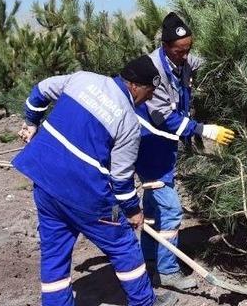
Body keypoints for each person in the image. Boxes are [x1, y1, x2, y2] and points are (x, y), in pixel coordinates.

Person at [13, 56, 176, 306]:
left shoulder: (82, 79)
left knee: (54, 254)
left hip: (45, 183)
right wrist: (133, 212)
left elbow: (39, 91)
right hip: (86, 194)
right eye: (149, 91)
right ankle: (144, 302)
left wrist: (31, 123)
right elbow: (121, 182)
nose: (150, 97)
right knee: (123, 244)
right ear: (134, 85)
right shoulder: (128, 122)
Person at [133, 12, 235, 292]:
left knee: (154, 210)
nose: (185, 56)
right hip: (150, 143)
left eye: (188, 50)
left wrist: (233, 58)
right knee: (170, 210)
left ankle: (150, 262)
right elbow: (164, 117)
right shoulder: (153, 70)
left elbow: (211, 62)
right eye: (179, 51)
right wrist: (205, 130)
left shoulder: (184, 59)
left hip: (165, 144)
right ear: (165, 46)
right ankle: (167, 271)